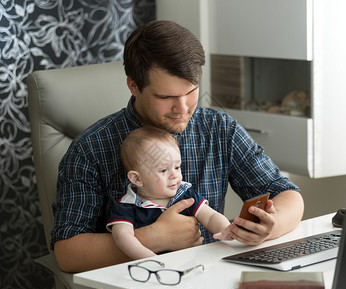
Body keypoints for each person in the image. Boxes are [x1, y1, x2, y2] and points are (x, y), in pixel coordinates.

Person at [52, 20, 304, 274]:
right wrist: (154, 236)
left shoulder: (219, 129)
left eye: (191, 91)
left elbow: (287, 195)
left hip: (211, 279)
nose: (182, 109)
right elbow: (67, 253)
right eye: (166, 97)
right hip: (137, 284)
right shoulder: (91, 148)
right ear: (133, 85)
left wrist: (272, 225)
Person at [107, 127, 232, 259]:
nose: (174, 175)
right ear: (137, 179)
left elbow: (210, 216)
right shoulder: (127, 205)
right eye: (163, 170)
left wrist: (226, 230)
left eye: (177, 167)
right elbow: (123, 237)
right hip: (150, 269)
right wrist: (151, 258)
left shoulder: (185, 194)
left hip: (190, 263)